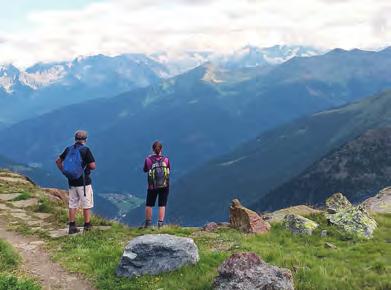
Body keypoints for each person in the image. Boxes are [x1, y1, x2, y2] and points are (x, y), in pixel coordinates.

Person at [55, 130, 96, 234]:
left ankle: (72, 226)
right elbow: (92, 166)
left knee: (72, 203)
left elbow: (58, 161)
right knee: (86, 203)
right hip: (84, 182)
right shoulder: (85, 150)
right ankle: (87, 226)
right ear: (85, 139)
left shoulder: (69, 149)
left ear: (75, 139)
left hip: (72, 181)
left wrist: (64, 171)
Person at [143, 141, 170, 229]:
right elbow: (169, 169)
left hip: (152, 186)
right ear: (161, 149)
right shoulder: (166, 159)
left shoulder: (148, 159)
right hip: (164, 185)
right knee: (162, 204)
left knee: (149, 204)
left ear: (152, 149)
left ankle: (148, 224)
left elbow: (145, 170)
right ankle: (160, 224)